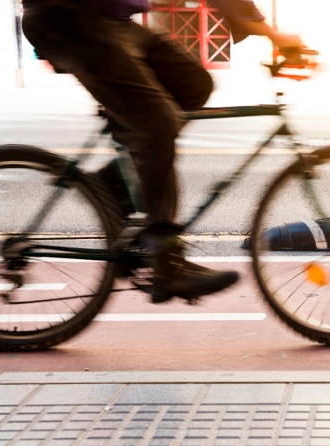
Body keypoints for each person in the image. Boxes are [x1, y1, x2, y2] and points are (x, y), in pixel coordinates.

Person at [21, 0, 303, 303]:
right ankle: (165, 259)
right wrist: (270, 34)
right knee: (158, 122)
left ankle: (113, 192)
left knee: (193, 85)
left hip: (111, 19)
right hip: (69, 17)